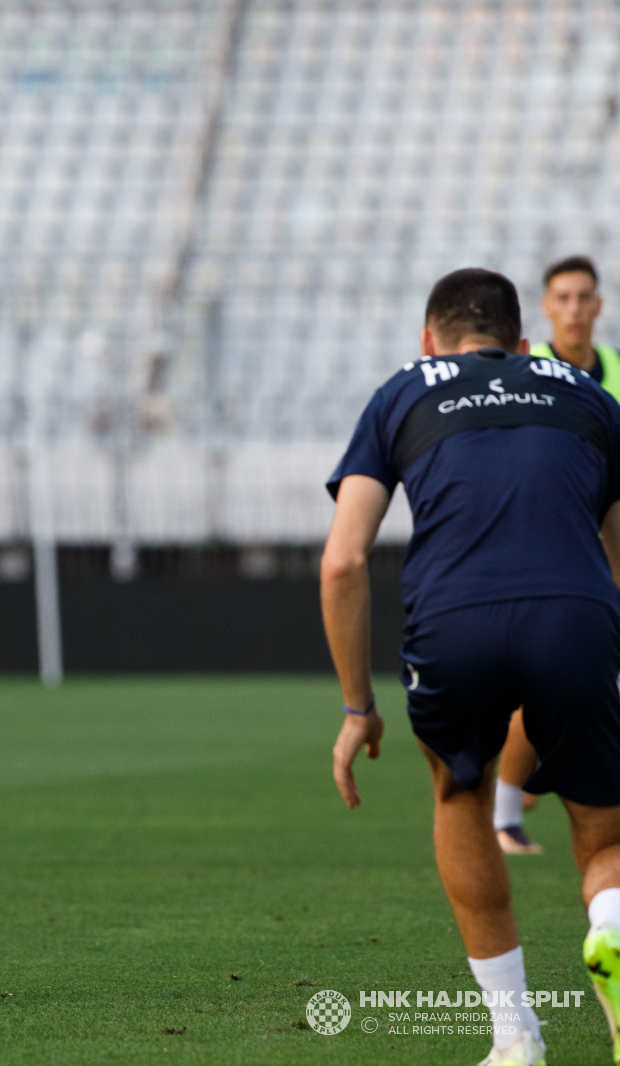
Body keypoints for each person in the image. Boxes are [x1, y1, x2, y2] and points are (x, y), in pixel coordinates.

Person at [324, 267, 620, 1066]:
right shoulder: (585, 390)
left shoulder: (404, 390)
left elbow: (344, 563)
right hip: (577, 612)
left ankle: (516, 1036)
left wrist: (358, 709)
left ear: (431, 342)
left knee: (461, 794)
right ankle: (612, 923)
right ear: (524, 344)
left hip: (453, 620)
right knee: (603, 832)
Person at [495, 255, 620, 854]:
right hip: (547, 552)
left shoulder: (617, 371)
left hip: (608, 552)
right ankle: (504, 813)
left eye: (583, 297)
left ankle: (519, 799)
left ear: (599, 305)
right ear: (545, 306)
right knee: (545, 687)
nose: (573, 308)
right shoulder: (526, 370)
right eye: (562, 298)